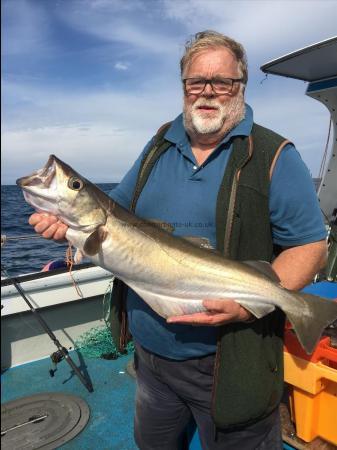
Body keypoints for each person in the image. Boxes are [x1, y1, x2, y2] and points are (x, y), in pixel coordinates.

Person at [29, 31, 327, 450]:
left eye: (221, 82)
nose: (207, 92)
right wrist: (65, 220)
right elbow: (112, 211)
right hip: (151, 359)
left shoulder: (275, 156)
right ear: (183, 87)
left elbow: (310, 246)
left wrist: (245, 306)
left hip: (232, 362)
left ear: (239, 86)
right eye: (195, 82)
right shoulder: (159, 145)